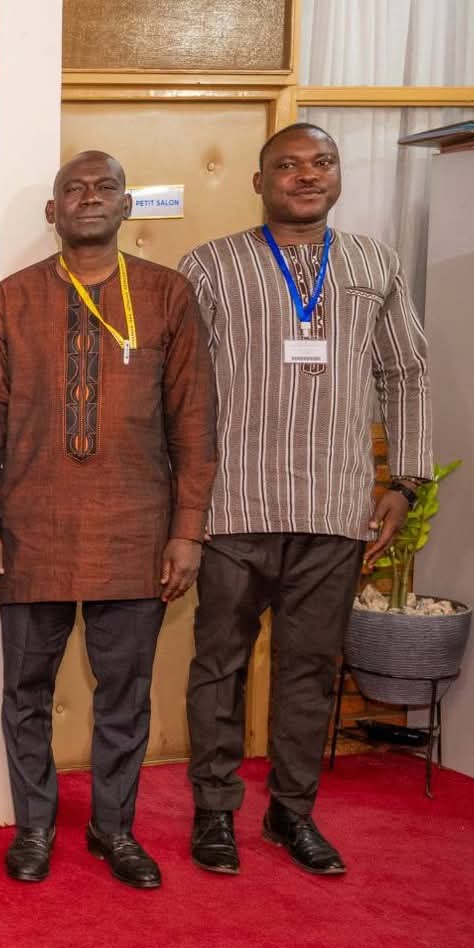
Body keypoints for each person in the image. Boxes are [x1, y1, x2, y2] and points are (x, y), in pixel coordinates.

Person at [178, 123, 430, 877]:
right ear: (260, 182)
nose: (307, 175)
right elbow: (180, 387)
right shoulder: (211, 266)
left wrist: (405, 480)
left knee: (311, 669)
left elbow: (407, 372)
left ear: (338, 175)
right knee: (218, 666)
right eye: (287, 165)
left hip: (335, 506)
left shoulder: (376, 263)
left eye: (322, 162)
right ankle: (214, 811)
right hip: (233, 506)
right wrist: (183, 501)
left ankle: (292, 812)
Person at [0, 151, 217, 889]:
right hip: (32, 530)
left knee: (125, 694)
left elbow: (194, 421)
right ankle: (35, 826)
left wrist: (187, 528)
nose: (89, 198)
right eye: (73, 189)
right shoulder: (12, 299)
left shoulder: (166, 294)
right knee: (25, 693)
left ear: (125, 207)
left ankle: (114, 828)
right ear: (52, 211)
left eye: (104, 187)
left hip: (135, 531)